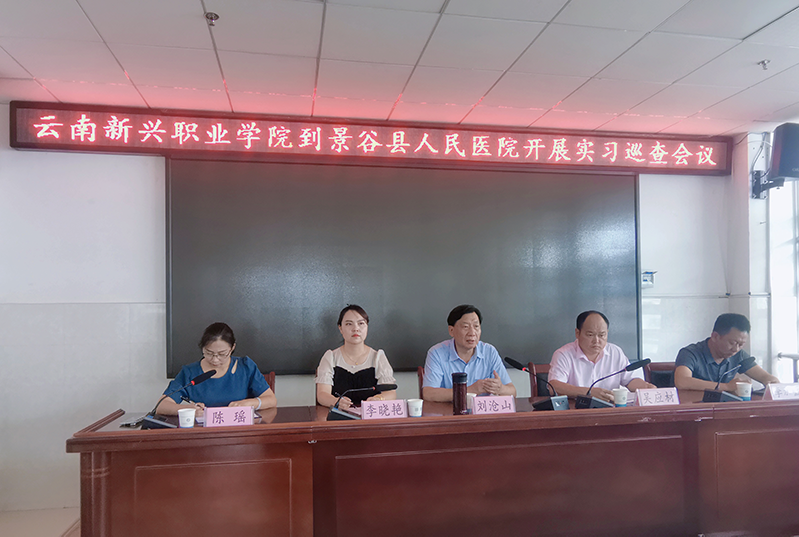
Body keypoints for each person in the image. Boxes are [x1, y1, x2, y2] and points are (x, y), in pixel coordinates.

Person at [155, 322, 276, 416]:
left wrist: (248, 403)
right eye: (209, 353)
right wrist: (189, 410)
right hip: (203, 434)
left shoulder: (245, 367)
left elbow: (271, 400)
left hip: (239, 432)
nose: (215, 360)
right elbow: (161, 406)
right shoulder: (190, 372)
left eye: (222, 354)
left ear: (232, 348)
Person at [549, 310, 654, 403]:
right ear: (577, 333)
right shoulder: (564, 354)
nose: (596, 341)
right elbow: (554, 386)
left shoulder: (615, 352)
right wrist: (588, 392)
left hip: (610, 410)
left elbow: (630, 380)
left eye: (602, 335)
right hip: (576, 411)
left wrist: (645, 387)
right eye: (590, 335)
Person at [422, 304, 516, 402]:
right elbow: (429, 394)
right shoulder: (437, 353)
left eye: (476, 326)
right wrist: (470, 390)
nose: (472, 333)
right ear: (451, 330)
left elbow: (512, 391)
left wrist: (500, 388)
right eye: (465, 327)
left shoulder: (489, 352)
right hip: (449, 410)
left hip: (481, 411)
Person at [316, 305, 397, 410]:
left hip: (370, 416)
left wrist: (378, 399)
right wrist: (336, 402)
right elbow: (322, 394)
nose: (355, 329)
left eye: (361, 323)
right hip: (339, 416)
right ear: (340, 328)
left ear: (367, 327)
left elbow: (390, 393)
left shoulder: (377, 357)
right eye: (349, 324)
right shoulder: (330, 357)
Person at [674, 313, 779, 391]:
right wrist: (726, 387)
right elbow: (682, 381)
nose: (736, 349)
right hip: (693, 408)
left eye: (741, 344)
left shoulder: (739, 355)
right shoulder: (690, 353)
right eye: (732, 343)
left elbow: (764, 377)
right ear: (715, 336)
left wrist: (772, 382)